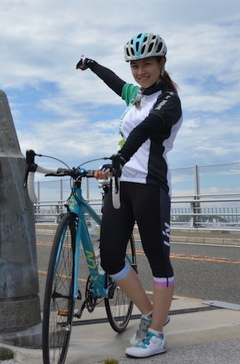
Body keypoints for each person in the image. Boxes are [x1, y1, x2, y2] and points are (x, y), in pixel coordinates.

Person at [76, 32, 182, 358]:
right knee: (110, 258)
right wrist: (92, 65)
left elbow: (145, 129)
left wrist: (119, 158)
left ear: (161, 64)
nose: (140, 71)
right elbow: (115, 82)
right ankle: (150, 313)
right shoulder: (135, 94)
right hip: (121, 187)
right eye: (135, 65)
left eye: (146, 64)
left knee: (158, 260)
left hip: (150, 187)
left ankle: (158, 334)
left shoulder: (169, 101)